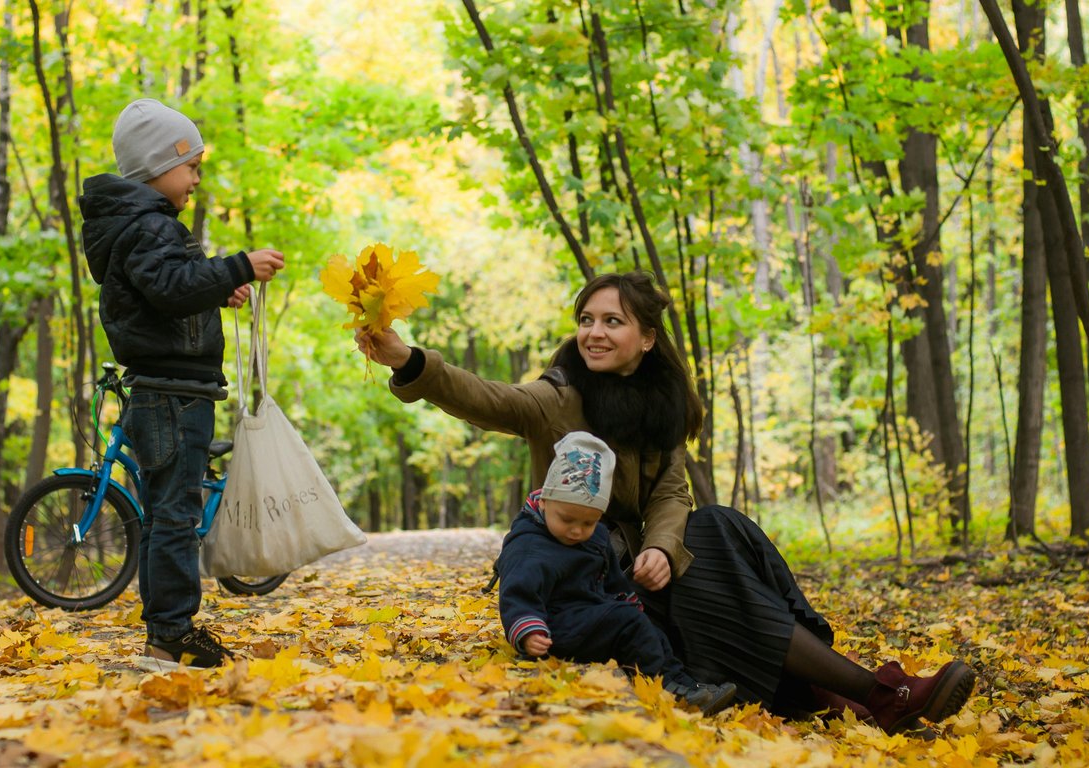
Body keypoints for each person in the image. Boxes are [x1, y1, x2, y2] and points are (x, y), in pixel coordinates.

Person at [357, 270, 976, 735]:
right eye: (588, 319)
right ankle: (875, 690)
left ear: (647, 338)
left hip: (646, 564)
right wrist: (410, 360)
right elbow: (489, 399)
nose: (594, 332)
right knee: (713, 547)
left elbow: (672, 492)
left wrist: (660, 545)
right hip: (594, 577)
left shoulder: (662, 405)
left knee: (723, 527)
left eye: (613, 321)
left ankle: (839, 689)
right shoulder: (559, 396)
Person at [80, 98, 285, 668]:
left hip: (174, 389)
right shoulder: (147, 226)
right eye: (190, 165)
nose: (196, 178)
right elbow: (170, 285)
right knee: (175, 513)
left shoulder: (144, 226)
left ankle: (166, 630)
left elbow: (167, 294)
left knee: (166, 511)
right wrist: (238, 266)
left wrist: (217, 289)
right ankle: (170, 633)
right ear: (158, 164)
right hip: (170, 394)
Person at [498, 430, 738, 717]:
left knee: (648, 627)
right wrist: (527, 629)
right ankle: (663, 688)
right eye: (567, 519)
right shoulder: (528, 544)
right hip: (554, 626)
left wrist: (628, 602)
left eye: (588, 522)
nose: (577, 530)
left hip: (591, 616)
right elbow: (516, 593)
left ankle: (685, 684)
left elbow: (612, 580)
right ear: (546, 501)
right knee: (627, 622)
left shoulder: (596, 538)